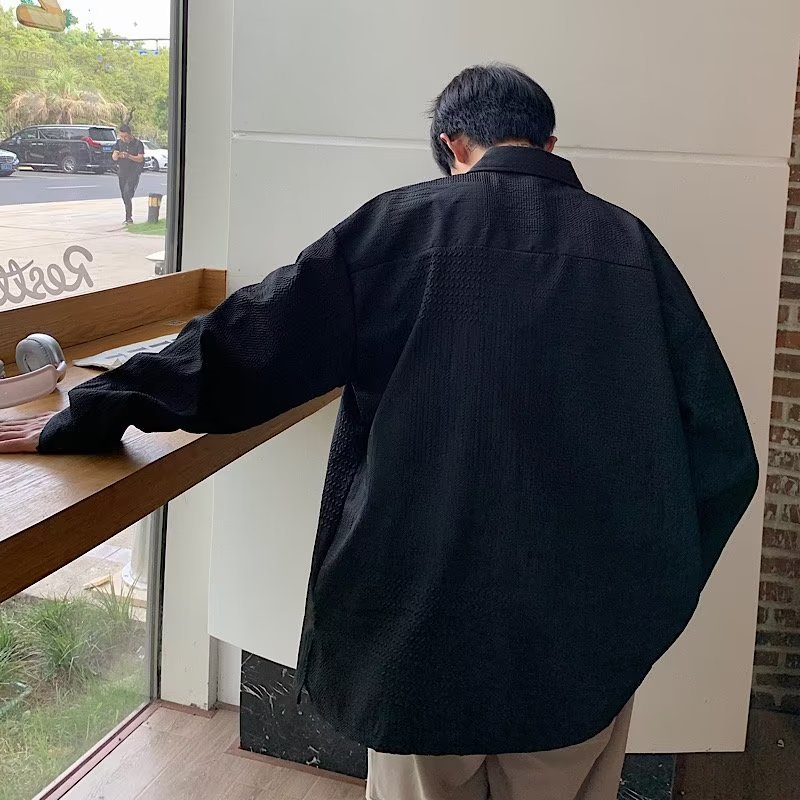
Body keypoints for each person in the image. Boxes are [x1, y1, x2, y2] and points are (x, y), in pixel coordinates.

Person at [0, 65, 758, 800]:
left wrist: (92, 410)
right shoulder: (631, 247)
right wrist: (641, 597)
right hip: (581, 639)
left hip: (418, 626)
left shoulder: (400, 227)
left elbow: (249, 341)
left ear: (452, 144)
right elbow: (723, 456)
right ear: (548, 144)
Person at [112, 123, 145, 225]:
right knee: (124, 194)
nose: (123, 138)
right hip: (122, 171)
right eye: (121, 136)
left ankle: (128, 217)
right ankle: (128, 215)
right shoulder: (118, 143)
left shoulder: (138, 143)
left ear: (130, 134)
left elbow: (140, 158)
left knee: (127, 192)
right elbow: (114, 156)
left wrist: (129, 156)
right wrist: (118, 155)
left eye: (125, 136)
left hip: (133, 172)